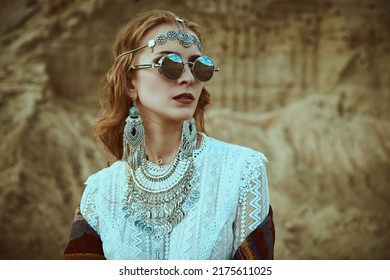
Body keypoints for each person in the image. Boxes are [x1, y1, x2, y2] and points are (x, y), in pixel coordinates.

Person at [64, 10, 275, 260]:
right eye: (169, 64)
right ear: (131, 83)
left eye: (200, 67)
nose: (187, 78)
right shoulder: (100, 191)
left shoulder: (242, 170)